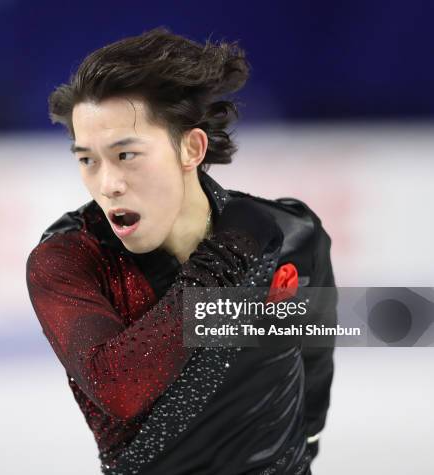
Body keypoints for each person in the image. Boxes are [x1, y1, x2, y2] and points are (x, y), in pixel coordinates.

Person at [26, 27, 336, 475]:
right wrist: (224, 263)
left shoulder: (291, 233)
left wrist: (304, 441)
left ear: (190, 148)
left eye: (126, 155)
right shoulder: (70, 261)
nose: (107, 184)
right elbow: (117, 387)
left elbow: (315, 354)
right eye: (87, 159)